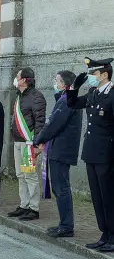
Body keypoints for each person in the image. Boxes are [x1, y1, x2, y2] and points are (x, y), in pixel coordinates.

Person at [67, 57, 114, 252]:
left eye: (93, 74)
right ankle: (104, 232)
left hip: (107, 154)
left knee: (109, 196)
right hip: (91, 153)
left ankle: (113, 235)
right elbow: (73, 104)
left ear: (104, 74)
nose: (91, 77)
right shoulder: (94, 92)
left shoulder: (112, 95)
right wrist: (73, 88)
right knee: (97, 196)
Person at [33, 71, 83, 238]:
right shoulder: (65, 99)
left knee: (61, 188)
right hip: (59, 149)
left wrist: (38, 140)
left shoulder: (67, 100)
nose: (54, 82)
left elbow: (54, 124)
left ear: (64, 84)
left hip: (61, 150)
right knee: (60, 188)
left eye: (57, 81)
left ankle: (67, 226)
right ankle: (64, 223)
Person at [8, 67, 46, 220]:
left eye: (17, 76)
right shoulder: (19, 96)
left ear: (24, 80)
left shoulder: (36, 97)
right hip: (18, 141)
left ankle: (34, 208)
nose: (15, 78)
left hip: (29, 143)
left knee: (30, 176)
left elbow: (40, 122)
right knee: (20, 174)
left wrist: (38, 143)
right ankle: (24, 204)